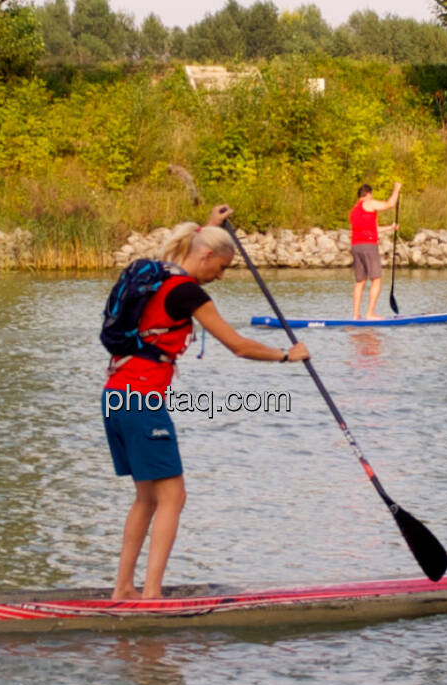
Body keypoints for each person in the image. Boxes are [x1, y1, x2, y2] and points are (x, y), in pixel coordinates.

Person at [102, 204, 310, 600]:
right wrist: (286, 355)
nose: (220, 276)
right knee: (173, 497)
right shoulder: (186, 291)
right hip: (142, 399)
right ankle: (150, 596)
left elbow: (192, 245)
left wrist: (212, 226)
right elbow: (237, 345)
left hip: (115, 396)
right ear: (206, 255)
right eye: (222, 267)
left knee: (147, 498)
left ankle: (124, 590)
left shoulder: (156, 272)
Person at [348, 182, 400, 320]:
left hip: (356, 246)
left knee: (360, 281)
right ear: (368, 194)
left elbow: (373, 229)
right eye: (372, 195)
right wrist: (396, 190)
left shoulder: (353, 211)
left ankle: (355, 315)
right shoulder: (369, 203)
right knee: (376, 279)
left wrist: (390, 227)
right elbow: (390, 204)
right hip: (368, 246)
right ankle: (370, 313)